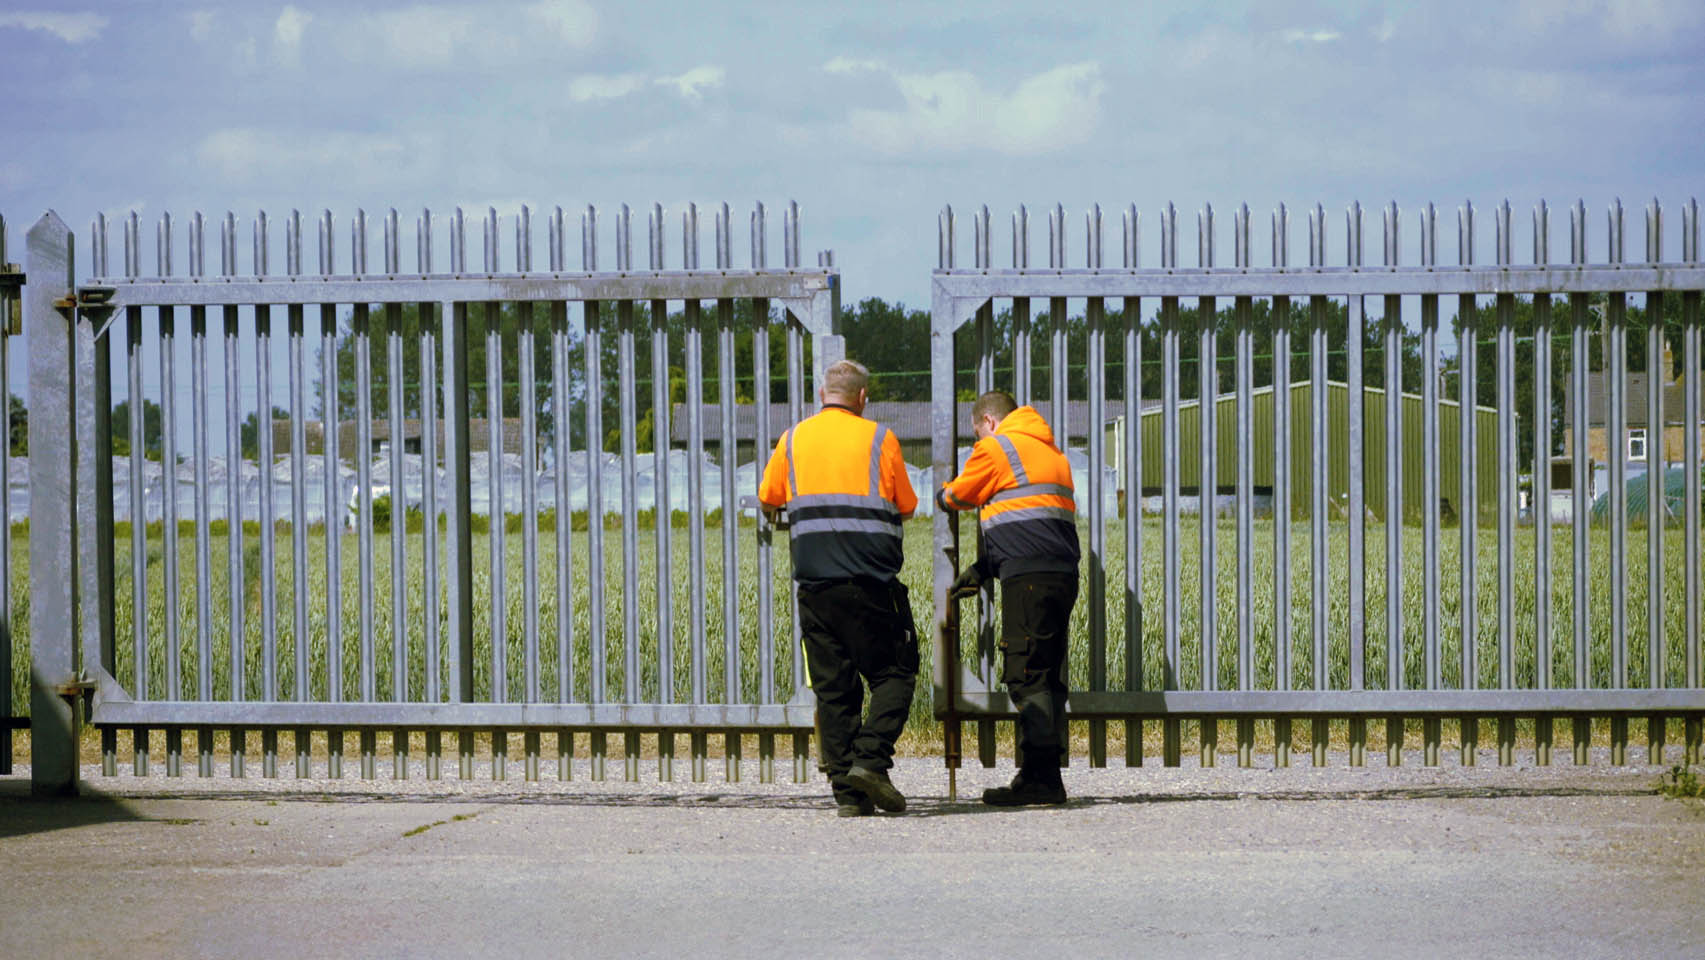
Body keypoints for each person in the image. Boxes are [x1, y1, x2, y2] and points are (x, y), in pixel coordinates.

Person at [758, 359, 919, 817]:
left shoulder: (792, 440)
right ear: (862, 397)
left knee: (834, 689)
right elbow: (906, 506)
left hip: (815, 587)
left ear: (822, 392)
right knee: (896, 672)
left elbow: (769, 497)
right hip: (871, 584)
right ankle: (870, 761)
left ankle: (849, 796)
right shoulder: (880, 440)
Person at [939, 390, 1080, 806]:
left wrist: (942, 495)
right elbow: (1031, 519)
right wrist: (984, 570)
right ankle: (1040, 775)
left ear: (989, 421)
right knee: (1047, 676)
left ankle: (1043, 782)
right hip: (1060, 575)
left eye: (976, 433)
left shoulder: (999, 447)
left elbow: (960, 495)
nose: (976, 443)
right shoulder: (1052, 453)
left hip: (1028, 580)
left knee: (1025, 674)